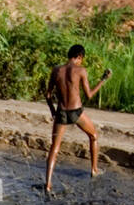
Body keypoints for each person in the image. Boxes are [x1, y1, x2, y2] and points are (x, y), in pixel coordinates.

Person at [44, 44, 112, 193]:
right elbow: (89, 95)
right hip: (76, 112)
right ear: (79, 57)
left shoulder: (56, 70)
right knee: (93, 136)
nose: (81, 62)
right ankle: (94, 169)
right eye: (82, 59)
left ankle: (48, 184)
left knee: (54, 149)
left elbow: (48, 95)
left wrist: (53, 111)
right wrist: (103, 80)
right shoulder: (81, 70)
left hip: (61, 112)